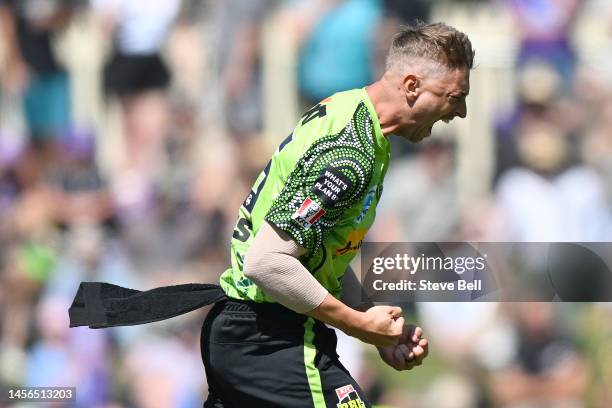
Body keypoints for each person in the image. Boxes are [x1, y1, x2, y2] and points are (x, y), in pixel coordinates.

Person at [70, 21, 474, 408]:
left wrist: (374, 327)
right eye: (455, 97)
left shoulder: (355, 116)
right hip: (270, 336)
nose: (461, 113)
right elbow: (267, 262)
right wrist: (354, 322)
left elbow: (317, 252)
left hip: (254, 331)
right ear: (411, 85)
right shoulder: (350, 153)